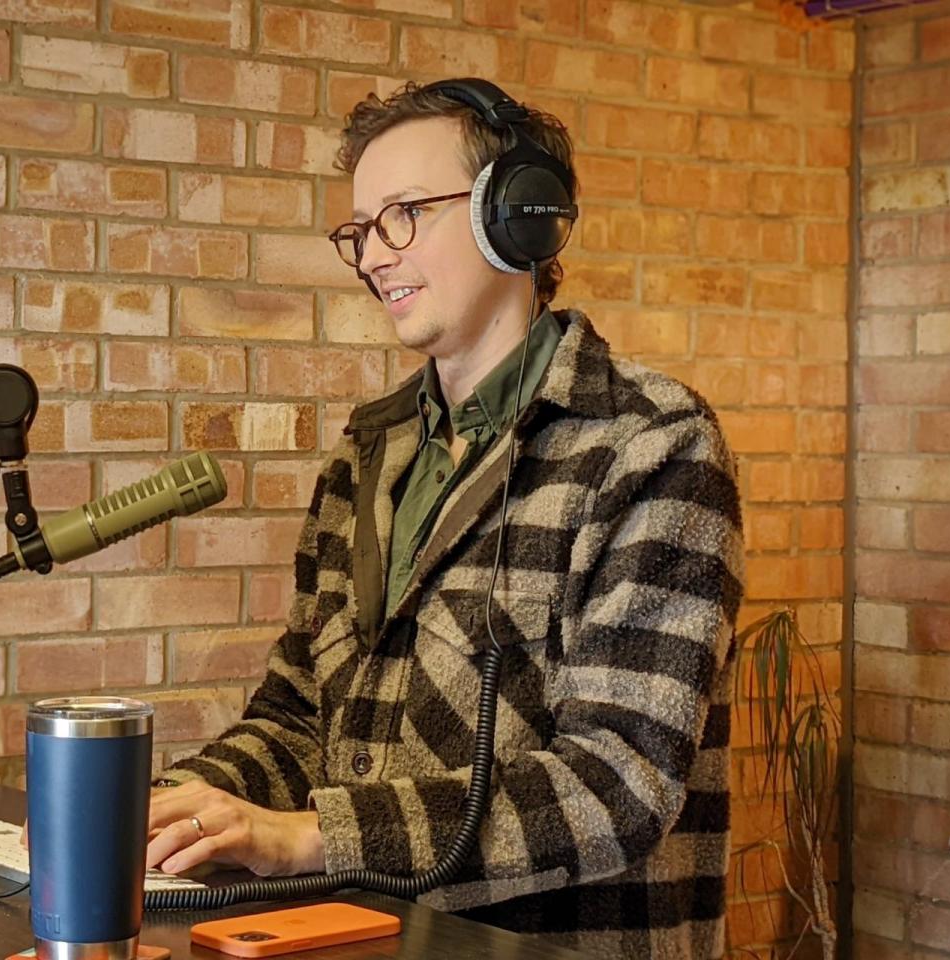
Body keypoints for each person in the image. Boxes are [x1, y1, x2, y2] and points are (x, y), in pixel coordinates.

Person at [142, 78, 744, 959]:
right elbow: (298, 714)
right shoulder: (367, 451)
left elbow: (618, 783)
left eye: (404, 215)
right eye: (360, 230)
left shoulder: (653, 446)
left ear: (520, 217)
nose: (374, 255)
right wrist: (173, 814)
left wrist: (303, 836)